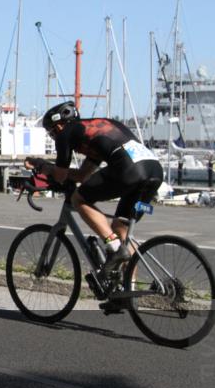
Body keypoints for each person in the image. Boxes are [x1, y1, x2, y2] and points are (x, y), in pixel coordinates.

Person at [25, 101, 163, 305]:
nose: (53, 136)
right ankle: (127, 292)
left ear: (59, 125)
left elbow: (62, 175)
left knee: (79, 198)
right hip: (153, 171)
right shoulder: (96, 130)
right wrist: (56, 173)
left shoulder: (66, 132)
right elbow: (81, 175)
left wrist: (41, 165)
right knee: (122, 229)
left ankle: (114, 246)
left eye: (51, 132)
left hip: (129, 170)